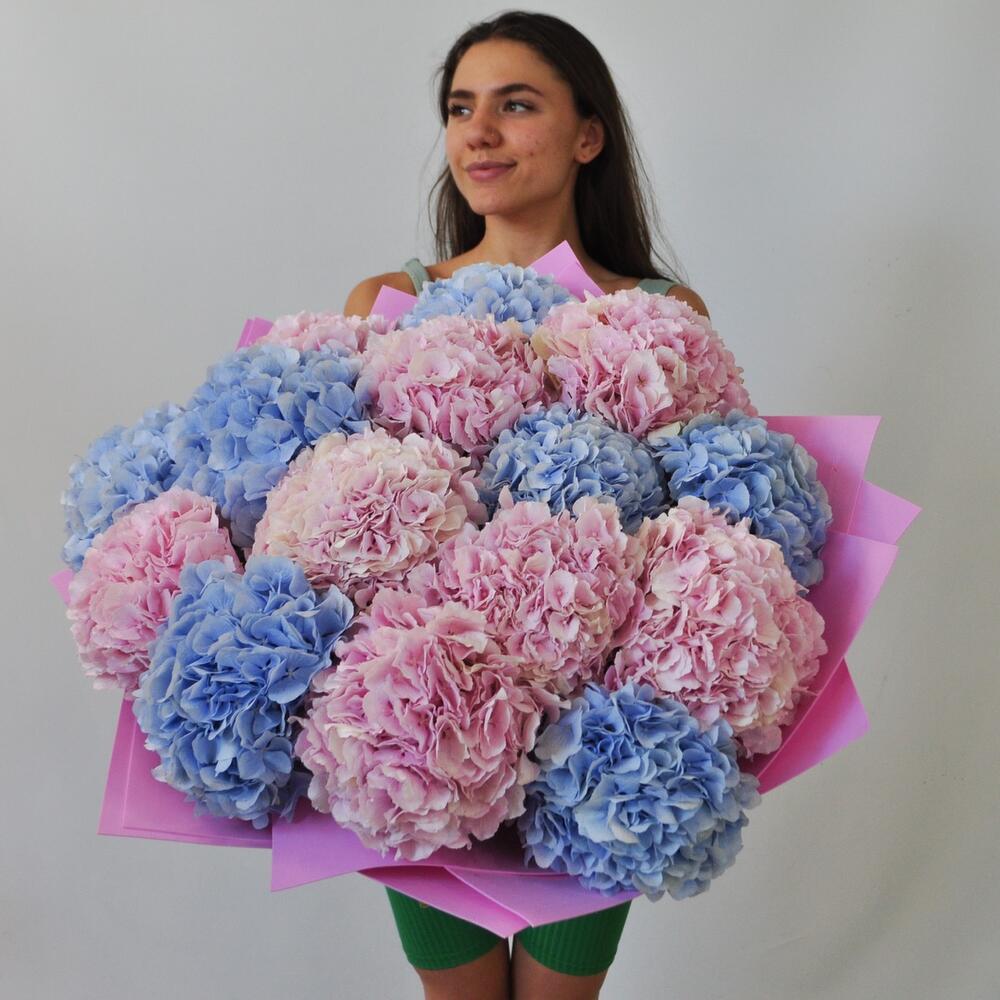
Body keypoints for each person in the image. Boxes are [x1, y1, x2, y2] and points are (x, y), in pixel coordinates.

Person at [343, 11, 710, 1000]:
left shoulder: (661, 315)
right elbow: (332, 512)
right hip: (431, 726)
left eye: (515, 105)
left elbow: (702, 526)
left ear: (587, 136)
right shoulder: (387, 303)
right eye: (461, 108)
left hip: (595, 740)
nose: (478, 132)